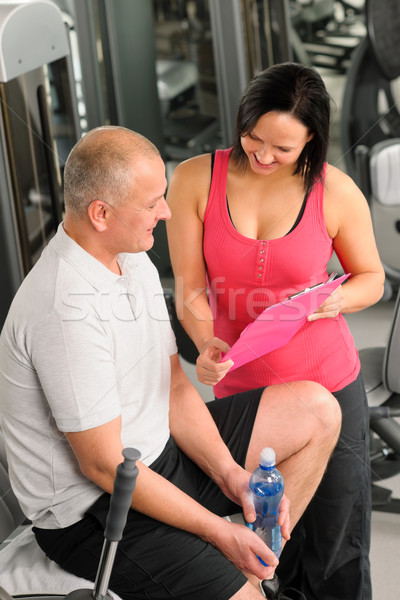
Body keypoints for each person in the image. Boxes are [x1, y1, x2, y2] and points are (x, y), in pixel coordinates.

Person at [0, 126, 341, 600]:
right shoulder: (62, 309)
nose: (166, 211)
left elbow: (174, 384)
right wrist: (218, 533)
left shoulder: (131, 256)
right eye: (152, 202)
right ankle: (242, 581)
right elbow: (103, 466)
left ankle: (251, 571)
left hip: (159, 455)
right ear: (101, 213)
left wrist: (231, 476)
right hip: (95, 511)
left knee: (318, 411)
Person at [166, 62, 385, 600]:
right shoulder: (195, 178)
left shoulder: (335, 191)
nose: (262, 155)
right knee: (259, 542)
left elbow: (372, 278)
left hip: (328, 385)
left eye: (282, 148)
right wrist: (205, 344)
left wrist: (335, 298)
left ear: (311, 140)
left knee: (337, 548)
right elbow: (190, 286)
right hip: (247, 394)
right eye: (253, 137)